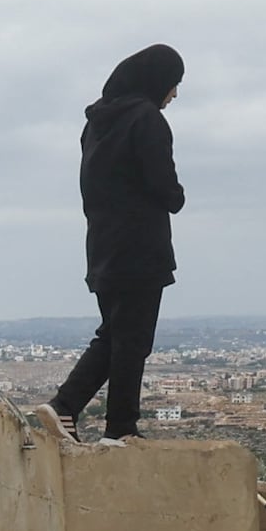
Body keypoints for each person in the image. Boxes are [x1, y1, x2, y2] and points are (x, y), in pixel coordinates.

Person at [49, 42, 184, 439]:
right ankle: (119, 428)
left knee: (117, 335)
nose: (174, 94)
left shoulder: (96, 125)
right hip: (141, 248)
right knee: (133, 340)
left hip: (104, 247)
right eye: (173, 84)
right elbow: (164, 187)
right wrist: (177, 195)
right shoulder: (147, 120)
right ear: (157, 81)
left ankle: (66, 407)